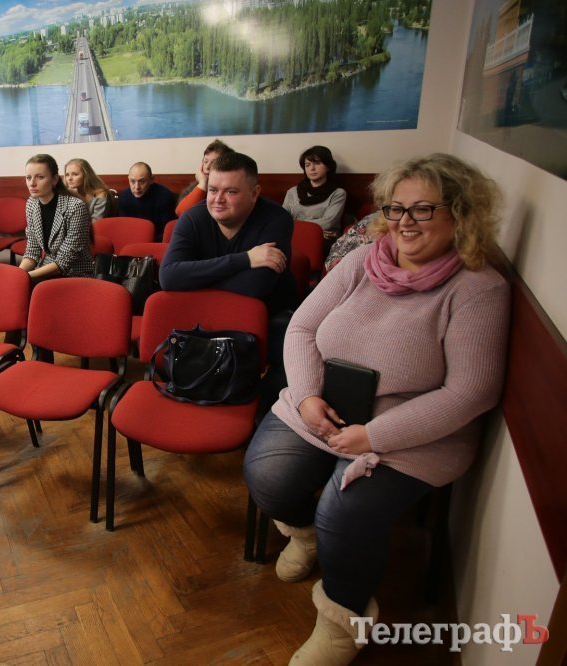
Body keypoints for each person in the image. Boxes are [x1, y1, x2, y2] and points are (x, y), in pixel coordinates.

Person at [243, 154, 510, 665]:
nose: (405, 222)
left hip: (413, 431)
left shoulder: (478, 288)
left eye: (423, 209)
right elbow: (301, 327)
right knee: (268, 475)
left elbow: (471, 392)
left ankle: (341, 623)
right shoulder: (362, 260)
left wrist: (374, 437)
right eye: (396, 208)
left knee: (343, 513)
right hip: (323, 403)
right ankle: (305, 536)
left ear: (460, 213)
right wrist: (307, 395)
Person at [159, 150, 295, 315]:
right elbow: (169, 277)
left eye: (230, 192)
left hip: (268, 317)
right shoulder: (192, 218)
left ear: (254, 194)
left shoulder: (277, 219)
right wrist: (245, 259)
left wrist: (194, 278)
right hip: (204, 314)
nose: (218, 199)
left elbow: (257, 285)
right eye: (213, 190)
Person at [20, 154, 93, 282]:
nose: (32, 183)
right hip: (47, 268)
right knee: (14, 286)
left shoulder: (76, 207)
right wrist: (18, 274)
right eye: (28, 177)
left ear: (54, 179)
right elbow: (32, 251)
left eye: (40, 177)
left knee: (24, 285)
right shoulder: (31, 203)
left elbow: (64, 261)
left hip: (74, 274)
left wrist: (26, 276)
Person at [282, 145, 347, 241]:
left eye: (317, 163)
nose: (312, 168)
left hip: (324, 239)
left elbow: (328, 223)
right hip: (294, 236)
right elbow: (283, 219)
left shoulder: (338, 193)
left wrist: (296, 224)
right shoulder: (292, 192)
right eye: (307, 165)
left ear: (328, 166)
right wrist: (312, 229)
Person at [175, 138, 234, 217]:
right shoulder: (195, 187)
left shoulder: (230, 188)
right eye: (205, 161)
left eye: (214, 163)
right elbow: (181, 213)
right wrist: (203, 183)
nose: (207, 167)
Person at [117, 162, 175, 240]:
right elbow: (124, 228)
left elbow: (168, 231)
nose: (137, 187)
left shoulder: (165, 196)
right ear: (128, 179)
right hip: (132, 240)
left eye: (142, 181)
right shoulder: (124, 197)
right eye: (132, 181)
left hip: (158, 242)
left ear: (151, 179)